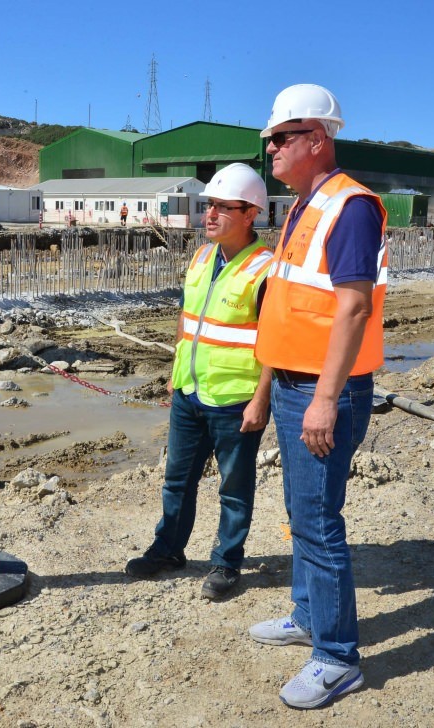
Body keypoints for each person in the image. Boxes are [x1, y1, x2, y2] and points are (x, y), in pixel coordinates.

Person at [248, 84, 388, 710]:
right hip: (292, 383)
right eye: (269, 139)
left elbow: (354, 307)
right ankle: (309, 615)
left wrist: (326, 399)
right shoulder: (304, 205)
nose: (270, 147)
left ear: (317, 139)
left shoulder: (350, 207)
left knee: (319, 522)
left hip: (321, 390)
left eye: (281, 136)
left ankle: (337, 657)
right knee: (303, 513)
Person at [125, 163, 273, 601]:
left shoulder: (266, 269)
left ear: (250, 213)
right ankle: (168, 550)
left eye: (222, 207)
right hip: (189, 392)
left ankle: (227, 562)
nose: (209, 215)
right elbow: (187, 320)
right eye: (208, 206)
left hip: (235, 399)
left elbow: (275, 342)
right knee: (177, 479)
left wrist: (260, 400)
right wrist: (176, 373)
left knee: (234, 487)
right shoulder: (202, 256)